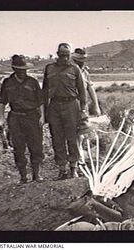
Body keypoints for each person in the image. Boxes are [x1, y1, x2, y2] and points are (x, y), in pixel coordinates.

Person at [43, 43, 87, 179]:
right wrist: (44, 112)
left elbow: (82, 91)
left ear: (70, 55)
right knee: (57, 138)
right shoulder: (49, 68)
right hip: (54, 106)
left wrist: (83, 110)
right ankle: (62, 169)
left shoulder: (75, 69)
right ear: (57, 54)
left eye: (67, 56)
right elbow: (44, 91)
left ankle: (73, 168)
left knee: (72, 138)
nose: (65, 58)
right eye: (62, 56)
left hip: (71, 105)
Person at [0, 55, 44, 183]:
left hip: (32, 117)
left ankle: (37, 174)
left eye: (24, 69)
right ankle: (23, 176)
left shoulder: (32, 82)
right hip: (15, 118)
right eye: (19, 69)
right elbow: (1, 102)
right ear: (14, 69)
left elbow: (41, 101)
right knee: (18, 147)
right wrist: (1, 118)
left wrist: (42, 117)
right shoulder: (7, 83)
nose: (22, 72)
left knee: (36, 146)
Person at [72, 48, 101, 168]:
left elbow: (90, 88)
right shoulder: (71, 70)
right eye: (79, 60)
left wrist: (96, 105)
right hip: (72, 104)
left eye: (83, 60)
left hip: (83, 105)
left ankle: (79, 158)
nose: (81, 62)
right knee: (74, 133)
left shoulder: (85, 72)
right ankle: (78, 159)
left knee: (82, 132)